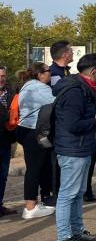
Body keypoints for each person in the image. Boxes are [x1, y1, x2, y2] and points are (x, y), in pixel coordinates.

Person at [51, 53, 96, 241]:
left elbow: (78, 118)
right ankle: (63, 239)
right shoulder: (75, 91)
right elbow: (72, 124)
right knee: (68, 194)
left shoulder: (84, 89)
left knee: (77, 193)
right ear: (94, 71)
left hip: (81, 146)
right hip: (72, 148)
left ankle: (77, 231)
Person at [16, 63, 57, 219]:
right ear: (40, 74)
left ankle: (40, 201)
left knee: (41, 166)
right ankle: (30, 207)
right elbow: (58, 101)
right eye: (48, 71)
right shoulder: (38, 88)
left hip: (28, 130)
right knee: (34, 168)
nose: (51, 74)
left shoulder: (30, 86)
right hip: (32, 131)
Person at [0, 66, 17, 215]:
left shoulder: (10, 93)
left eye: (3, 76)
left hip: (6, 140)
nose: (1, 78)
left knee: (3, 175)